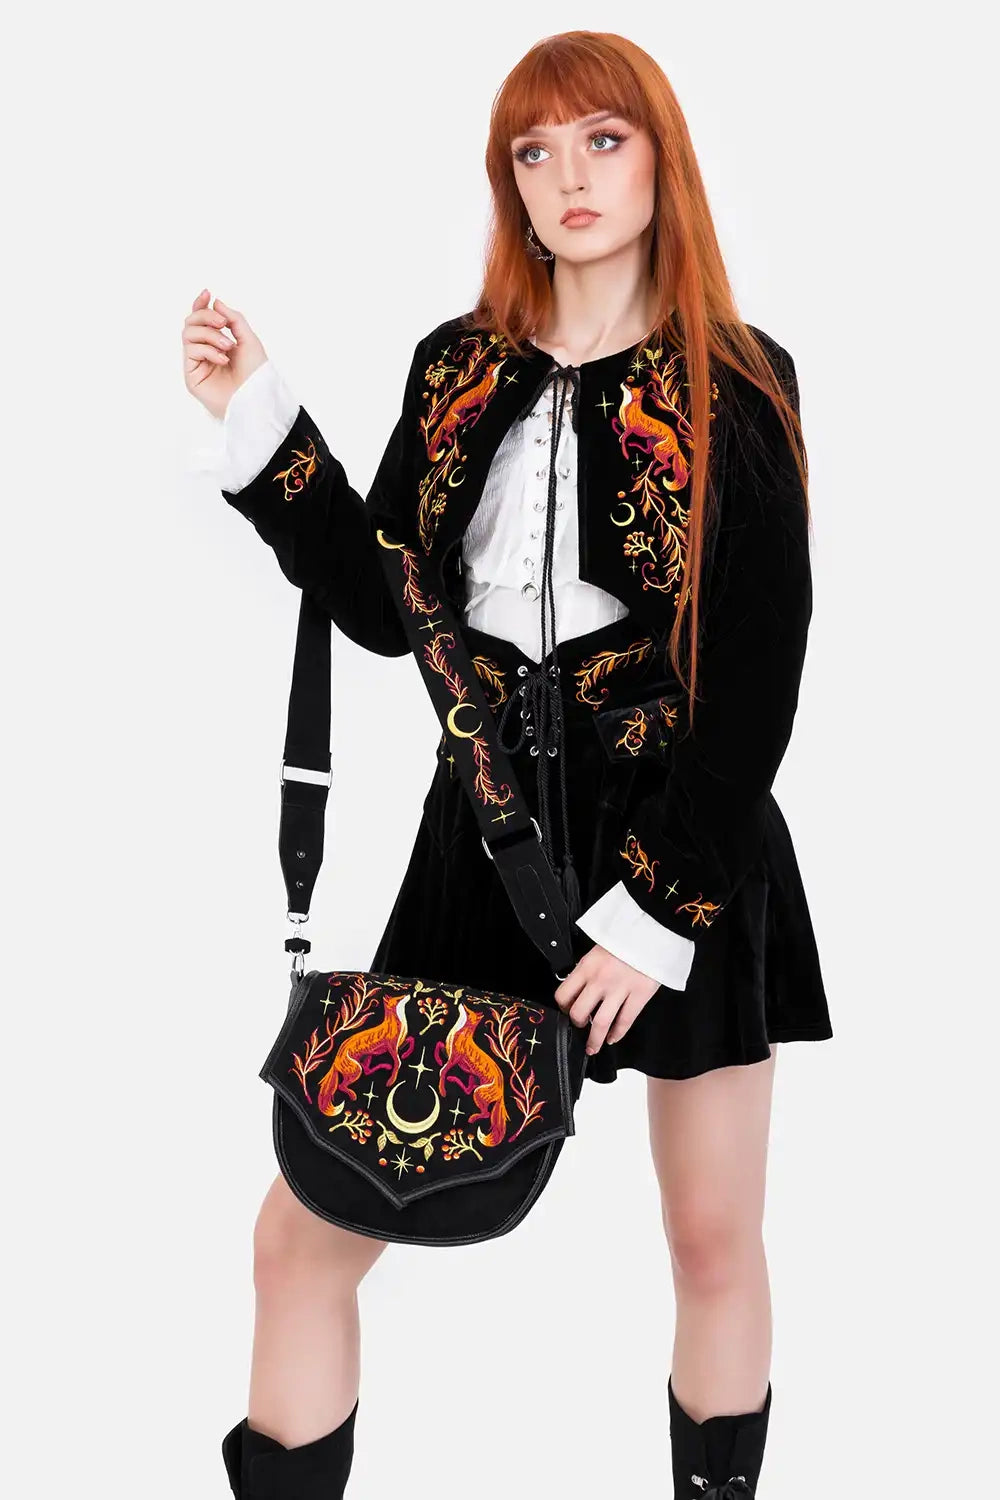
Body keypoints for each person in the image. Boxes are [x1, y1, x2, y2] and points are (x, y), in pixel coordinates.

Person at [182, 29, 832, 1500]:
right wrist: (261, 419)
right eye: (534, 152)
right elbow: (386, 603)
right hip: (484, 837)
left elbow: (759, 674)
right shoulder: (456, 368)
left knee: (711, 1241)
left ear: (662, 159)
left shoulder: (740, 381)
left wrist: (657, 911)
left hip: (684, 838)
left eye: (603, 140)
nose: (568, 177)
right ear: (510, 183)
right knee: (302, 1236)